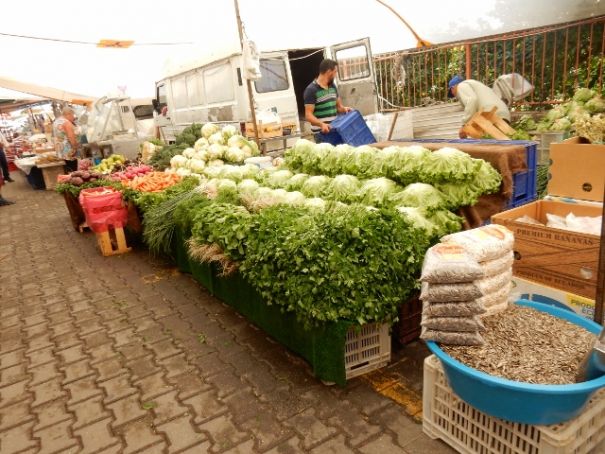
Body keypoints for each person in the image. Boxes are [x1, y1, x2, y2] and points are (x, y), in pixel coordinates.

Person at [304, 59, 352, 142]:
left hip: (335, 131)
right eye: (335, 72)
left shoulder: (333, 86)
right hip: (321, 134)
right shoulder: (311, 90)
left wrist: (345, 109)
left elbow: (339, 107)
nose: (336, 75)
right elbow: (308, 115)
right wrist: (321, 124)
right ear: (329, 72)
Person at [54, 106, 80, 172]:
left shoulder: (56, 122)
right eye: (72, 115)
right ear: (68, 114)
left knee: (66, 169)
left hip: (60, 150)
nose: (73, 117)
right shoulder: (66, 123)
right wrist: (75, 147)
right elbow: (71, 137)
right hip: (69, 151)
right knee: (73, 171)